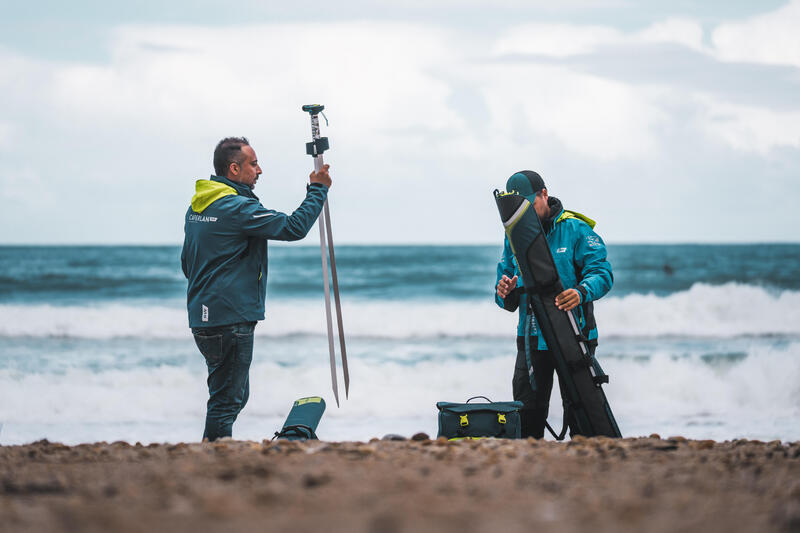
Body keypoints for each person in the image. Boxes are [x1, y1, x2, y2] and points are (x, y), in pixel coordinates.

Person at [181, 136, 331, 441]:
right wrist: (318, 190)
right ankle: (215, 457)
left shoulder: (199, 206)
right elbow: (292, 228)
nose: (260, 170)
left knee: (232, 395)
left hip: (203, 316)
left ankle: (215, 450)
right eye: (254, 163)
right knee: (226, 401)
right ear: (234, 169)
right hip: (228, 319)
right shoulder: (236, 208)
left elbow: (188, 263)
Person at [494, 170, 613, 438]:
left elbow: (603, 274)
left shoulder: (576, 229)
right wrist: (505, 291)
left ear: (543, 194)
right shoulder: (513, 236)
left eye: (530, 205)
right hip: (531, 337)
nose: (526, 213)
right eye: (520, 208)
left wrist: (581, 291)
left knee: (582, 419)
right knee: (526, 421)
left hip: (574, 334)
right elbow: (504, 293)